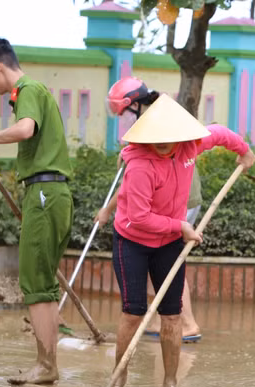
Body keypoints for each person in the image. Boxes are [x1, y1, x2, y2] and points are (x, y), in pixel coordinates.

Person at [112, 94, 255, 387]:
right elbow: (138, 217)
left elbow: (219, 133)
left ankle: (170, 384)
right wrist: (180, 226)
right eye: (157, 138)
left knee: (172, 314)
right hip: (132, 240)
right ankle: (119, 376)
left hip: (169, 243)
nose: (163, 143)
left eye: (169, 137)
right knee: (133, 313)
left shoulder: (189, 146)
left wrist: (244, 150)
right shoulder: (139, 163)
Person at [0, 37, 73, 386]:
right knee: (43, 280)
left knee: (36, 283)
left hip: (44, 193)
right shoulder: (33, 91)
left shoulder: (28, 89)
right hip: (49, 194)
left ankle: (46, 365)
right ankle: (47, 362)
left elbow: (26, 130)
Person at [99, 76, 203, 342]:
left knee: (169, 258)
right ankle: (165, 318)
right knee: (157, 258)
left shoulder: (158, 117)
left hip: (178, 202)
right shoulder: (148, 122)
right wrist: (109, 210)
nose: (125, 118)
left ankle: (186, 323)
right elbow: (133, 189)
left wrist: (109, 210)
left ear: (133, 105)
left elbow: (138, 198)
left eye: (125, 112)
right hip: (159, 202)